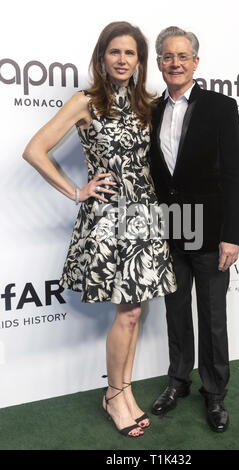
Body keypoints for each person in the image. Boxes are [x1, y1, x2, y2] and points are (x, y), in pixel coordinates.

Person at [22, 21, 176, 438]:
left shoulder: (146, 103)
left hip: (144, 218)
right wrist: (77, 191)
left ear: (139, 60)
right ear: (102, 57)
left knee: (134, 311)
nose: (123, 60)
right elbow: (35, 150)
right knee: (126, 312)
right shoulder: (85, 101)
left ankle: (122, 392)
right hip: (108, 220)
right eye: (115, 52)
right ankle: (113, 395)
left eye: (130, 53)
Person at [149, 26, 239, 433]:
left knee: (212, 315)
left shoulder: (221, 107)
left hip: (209, 230)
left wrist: (232, 234)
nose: (175, 63)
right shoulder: (149, 110)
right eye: (167, 57)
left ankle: (215, 394)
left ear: (195, 62)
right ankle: (177, 381)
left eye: (182, 56)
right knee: (175, 313)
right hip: (169, 228)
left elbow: (235, 174)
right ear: (158, 63)